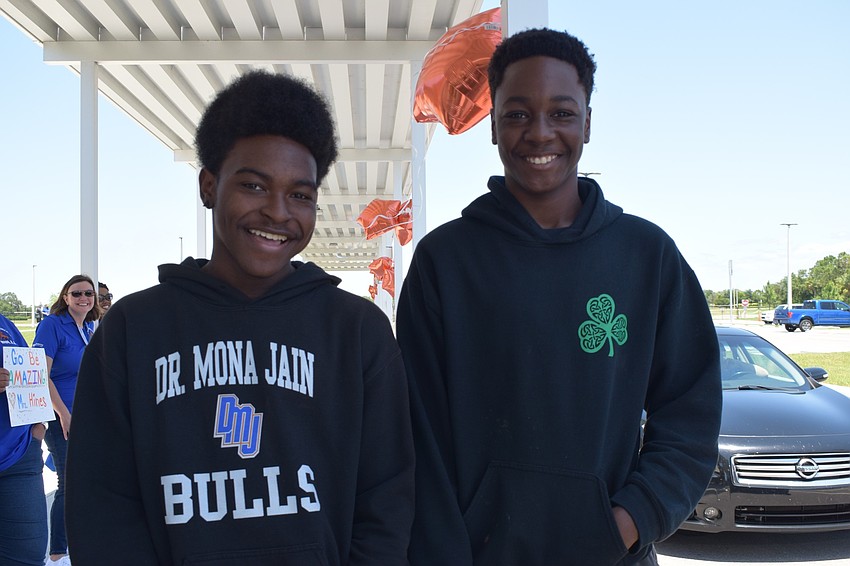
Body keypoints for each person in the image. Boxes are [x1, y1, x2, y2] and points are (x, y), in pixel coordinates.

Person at [396, 28, 722, 566]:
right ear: (494, 126)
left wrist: (625, 524)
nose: (540, 132)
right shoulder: (444, 262)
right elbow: (418, 440)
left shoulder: (647, 256)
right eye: (518, 114)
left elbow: (690, 416)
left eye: (562, 113)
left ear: (588, 122)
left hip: (610, 554)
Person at [65, 70, 414, 565]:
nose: (278, 212)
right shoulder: (132, 329)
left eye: (300, 194)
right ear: (209, 185)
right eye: (254, 185)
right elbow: (102, 506)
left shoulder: (356, 331)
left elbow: (387, 498)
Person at [33, 274, 101, 566]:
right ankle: (58, 553)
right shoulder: (52, 325)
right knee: (68, 482)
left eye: (88, 293)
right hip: (61, 415)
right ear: (65, 297)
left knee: (87, 479)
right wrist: (64, 414)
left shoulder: (88, 327)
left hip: (86, 414)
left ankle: (80, 543)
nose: (83, 298)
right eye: (76, 293)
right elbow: (41, 375)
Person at [0, 313, 49, 565]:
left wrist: (37, 430)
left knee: (28, 557)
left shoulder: (5, 324)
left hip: (19, 458)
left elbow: (30, 374)